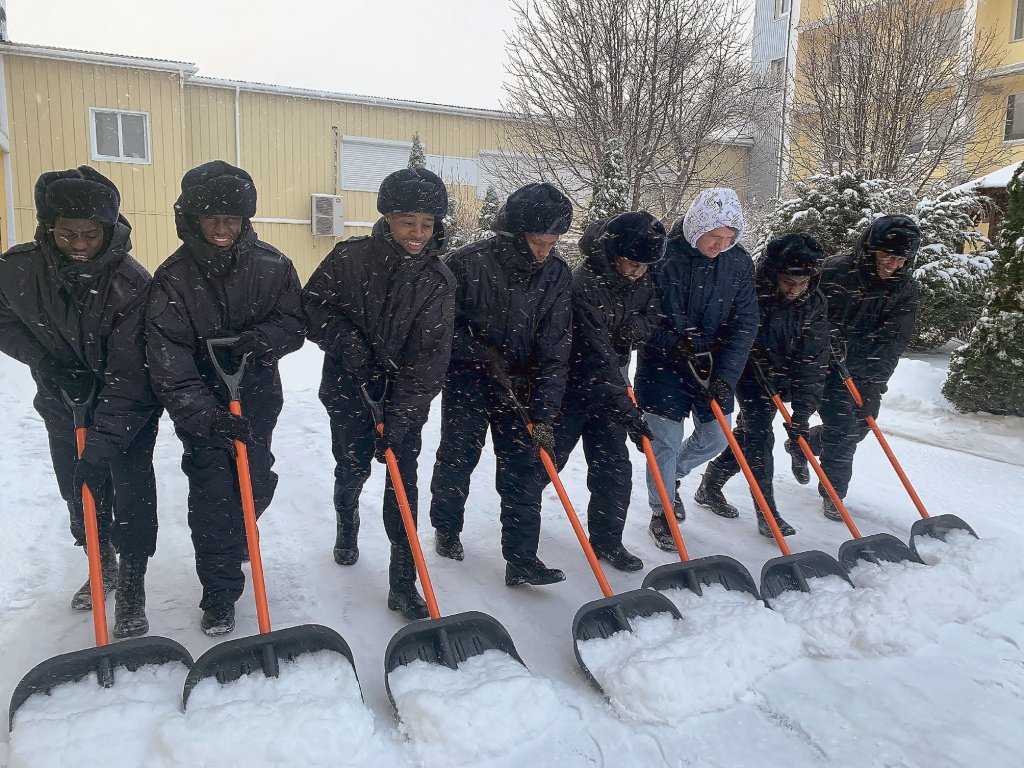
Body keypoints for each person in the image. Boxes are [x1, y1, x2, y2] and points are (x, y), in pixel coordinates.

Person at [0, 166, 161, 638]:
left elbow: (133, 375)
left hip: (127, 407)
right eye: (67, 232)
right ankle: (101, 566)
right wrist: (43, 360)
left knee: (131, 497)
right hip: (60, 403)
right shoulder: (18, 269)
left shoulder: (131, 285)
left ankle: (131, 586)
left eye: (89, 234)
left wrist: (103, 445)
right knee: (79, 494)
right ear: (48, 227)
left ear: (107, 231)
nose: (78, 243)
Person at [146, 160, 304, 636]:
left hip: (255, 398)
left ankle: (237, 540)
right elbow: (165, 354)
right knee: (213, 495)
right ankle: (219, 592)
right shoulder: (173, 278)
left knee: (253, 483)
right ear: (192, 219)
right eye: (212, 218)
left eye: (231, 220)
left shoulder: (273, 266)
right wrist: (205, 415)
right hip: (204, 409)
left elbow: (296, 322)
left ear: (245, 221)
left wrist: (262, 339)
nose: (221, 228)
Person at [303, 168, 455, 621]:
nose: (418, 233)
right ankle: (346, 519)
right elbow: (311, 306)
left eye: (427, 224)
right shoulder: (349, 259)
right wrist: (348, 345)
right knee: (351, 467)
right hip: (349, 392)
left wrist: (402, 414)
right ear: (388, 217)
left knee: (402, 488)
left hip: (404, 398)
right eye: (409, 221)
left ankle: (402, 582)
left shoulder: (439, 280)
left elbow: (431, 357)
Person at [428, 182, 573, 587]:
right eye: (537, 241)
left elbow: (556, 346)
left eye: (553, 242)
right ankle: (447, 527)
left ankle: (522, 559)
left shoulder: (557, 274)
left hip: (522, 387)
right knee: (458, 458)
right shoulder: (467, 263)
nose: (545, 251)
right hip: (469, 382)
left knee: (523, 470)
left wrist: (544, 412)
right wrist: (482, 354)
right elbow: (442, 328)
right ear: (514, 233)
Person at [633, 188, 759, 551]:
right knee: (664, 445)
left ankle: (671, 479)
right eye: (715, 236)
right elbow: (640, 314)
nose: (721, 245)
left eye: (730, 238)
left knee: (717, 437)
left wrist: (726, 378)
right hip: (663, 366)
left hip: (714, 365)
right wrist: (671, 343)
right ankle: (663, 512)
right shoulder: (660, 257)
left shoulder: (738, 262)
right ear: (695, 227)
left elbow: (745, 322)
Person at [551, 212, 665, 571]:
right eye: (632, 263)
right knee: (544, 466)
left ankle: (607, 541)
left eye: (645, 266)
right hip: (570, 387)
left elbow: (654, 314)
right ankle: (521, 537)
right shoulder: (583, 284)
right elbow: (594, 353)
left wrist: (634, 330)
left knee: (614, 468)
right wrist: (628, 409)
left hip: (609, 386)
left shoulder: (644, 279)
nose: (638, 272)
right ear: (613, 252)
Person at [694, 233, 829, 537]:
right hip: (746, 370)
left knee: (746, 436)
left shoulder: (813, 302)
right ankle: (767, 512)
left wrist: (803, 414)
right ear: (773, 274)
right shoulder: (749, 291)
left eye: (802, 283)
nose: (795, 290)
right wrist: (750, 354)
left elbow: (813, 358)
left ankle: (711, 483)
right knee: (759, 435)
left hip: (783, 371)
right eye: (788, 282)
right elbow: (730, 331)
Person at [807, 215, 920, 519]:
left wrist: (873, 385)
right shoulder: (833, 271)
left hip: (860, 369)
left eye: (900, 258)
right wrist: (822, 335)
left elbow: (893, 341)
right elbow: (802, 308)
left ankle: (810, 441)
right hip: (817, 362)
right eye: (886, 255)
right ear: (869, 249)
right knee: (843, 430)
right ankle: (834, 494)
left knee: (862, 423)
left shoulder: (903, 290)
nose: (892, 264)